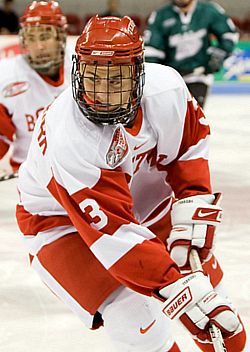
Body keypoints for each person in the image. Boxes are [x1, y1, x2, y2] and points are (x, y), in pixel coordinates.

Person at [16, 15, 247, 352]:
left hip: (143, 195)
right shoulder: (70, 136)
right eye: (95, 78)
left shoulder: (166, 88)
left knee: (220, 315)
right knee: (136, 319)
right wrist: (174, 284)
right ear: (79, 73)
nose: (104, 94)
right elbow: (116, 237)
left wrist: (192, 201)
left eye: (117, 79)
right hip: (60, 223)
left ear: (139, 72)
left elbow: (188, 148)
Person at [0, 0, 71, 172]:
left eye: (45, 37)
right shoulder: (7, 76)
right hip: (27, 179)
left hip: (76, 175)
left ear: (60, 37)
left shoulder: (83, 70)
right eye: (31, 38)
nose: (38, 46)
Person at [143, 0, 239, 108]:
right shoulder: (160, 16)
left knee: (191, 117)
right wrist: (157, 75)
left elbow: (229, 35)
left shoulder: (209, 11)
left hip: (198, 77)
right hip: (171, 81)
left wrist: (218, 55)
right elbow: (152, 50)